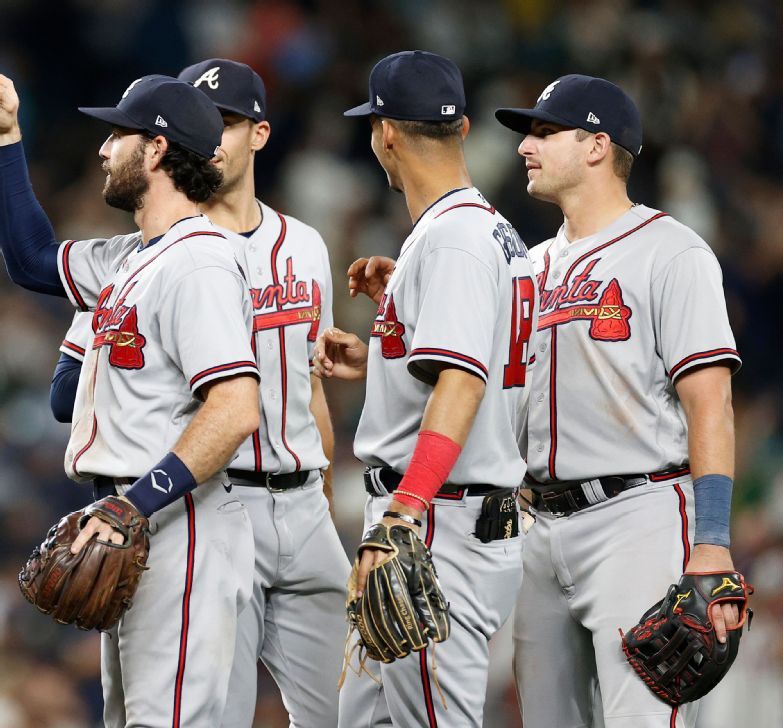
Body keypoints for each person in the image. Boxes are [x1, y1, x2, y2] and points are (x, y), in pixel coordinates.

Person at [50, 58, 347, 727]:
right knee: (199, 711)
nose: (212, 132)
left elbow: (309, 389)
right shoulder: (142, 253)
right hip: (211, 497)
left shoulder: (303, 246)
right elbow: (68, 389)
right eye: (200, 119)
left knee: (353, 710)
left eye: (228, 121)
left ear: (258, 135)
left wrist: (324, 504)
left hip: (300, 502)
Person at [0, 64, 261, 726]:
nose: (101, 149)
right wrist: (6, 136)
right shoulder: (133, 257)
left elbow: (237, 408)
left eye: (117, 135)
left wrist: (134, 505)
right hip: (132, 515)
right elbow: (30, 259)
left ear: (156, 148)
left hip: (178, 520)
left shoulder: (200, 263)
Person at [495, 74, 742, 728]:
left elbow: (710, 402)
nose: (526, 145)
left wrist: (711, 540)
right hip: (537, 526)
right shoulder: (530, 266)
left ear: (597, 145)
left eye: (545, 131)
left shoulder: (671, 252)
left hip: (636, 518)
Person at [316, 51, 531, 727]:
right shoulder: (478, 230)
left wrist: (404, 512)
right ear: (461, 126)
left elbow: (463, 384)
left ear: (384, 134)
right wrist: (395, 321)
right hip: (444, 517)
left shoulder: (452, 242)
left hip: (436, 523)